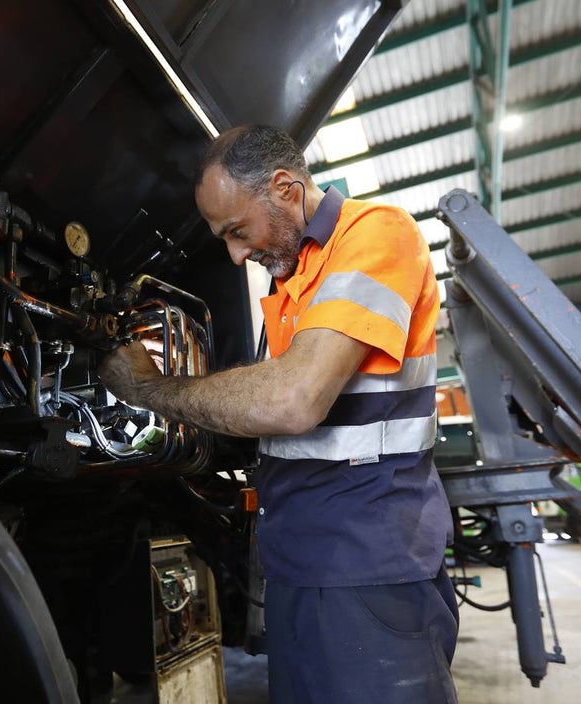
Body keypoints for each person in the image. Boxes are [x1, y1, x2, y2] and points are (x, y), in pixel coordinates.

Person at [98, 124, 457, 703]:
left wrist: (149, 388)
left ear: (287, 189)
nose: (236, 253)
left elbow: (294, 402)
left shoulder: (377, 233)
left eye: (238, 231)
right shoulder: (293, 282)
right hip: (301, 564)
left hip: (367, 564)